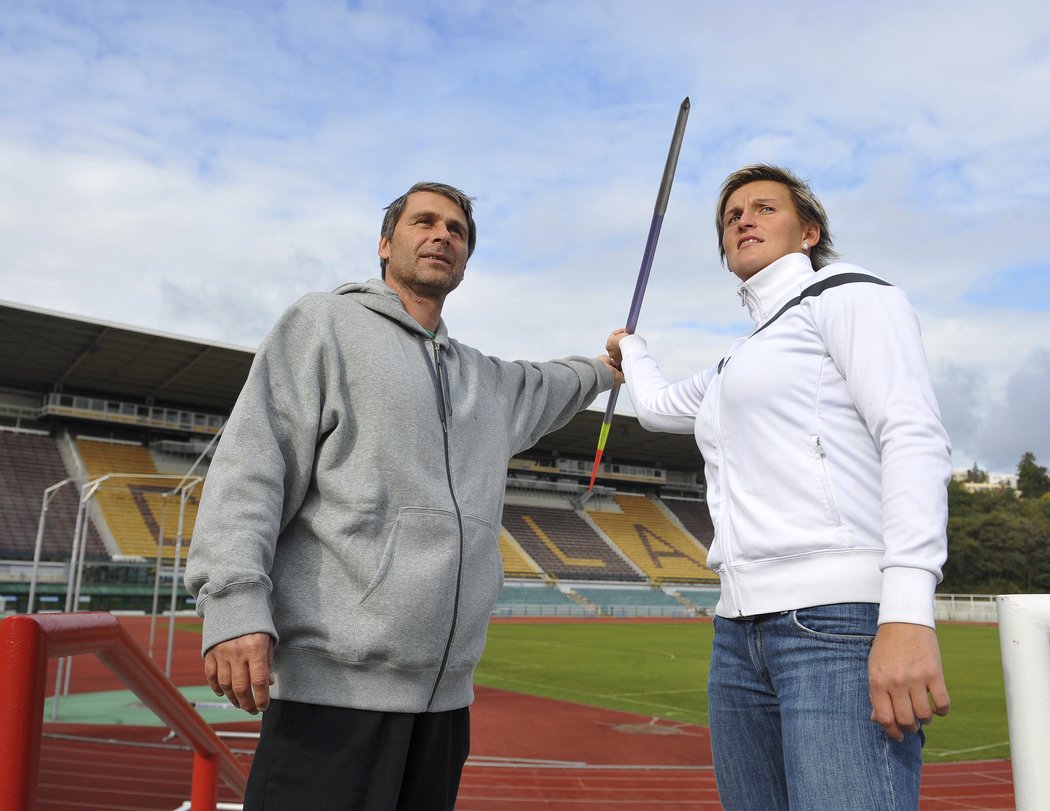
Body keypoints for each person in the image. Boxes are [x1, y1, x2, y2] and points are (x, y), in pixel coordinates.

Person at [185, 181, 619, 810]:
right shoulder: (323, 324)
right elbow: (253, 467)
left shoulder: (484, 380)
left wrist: (609, 368)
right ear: (386, 244)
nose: (442, 235)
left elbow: (555, 381)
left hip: (444, 704)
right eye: (424, 222)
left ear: (466, 262)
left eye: (457, 230)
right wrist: (232, 605)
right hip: (332, 695)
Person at [605, 164, 951, 810]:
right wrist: (633, 348)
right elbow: (655, 405)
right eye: (732, 216)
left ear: (809, 231)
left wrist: (907, 608)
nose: (742, 219)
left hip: (836, 625)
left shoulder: (849, 295)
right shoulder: (737, 362)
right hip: (736, 635)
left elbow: (912, 435)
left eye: (764, 208)